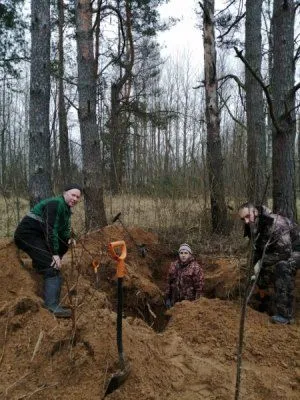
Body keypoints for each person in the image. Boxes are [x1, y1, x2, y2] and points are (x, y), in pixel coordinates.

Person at [14, 184, 82, 318]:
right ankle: (52, 306)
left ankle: (42, 265)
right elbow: (50, 230)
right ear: (64, 193)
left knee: (64, 242)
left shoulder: (65, 208)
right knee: (51, 267)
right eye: (72, 195)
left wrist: (70, 238)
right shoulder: (55, 204)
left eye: (78, 197)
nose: (75, 198)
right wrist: (55, 255)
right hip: (27, 235)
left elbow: (62, 231)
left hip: (39, 236)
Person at [238, 202, 298, 325]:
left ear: (255, 212)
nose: (246, 221)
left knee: (282, 266)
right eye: (243, 219)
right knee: (258, 269)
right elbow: (257, 251)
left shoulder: (276, 223)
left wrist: (261, 262)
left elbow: (285, 253)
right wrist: (254, 269)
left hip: (295, 249)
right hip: (278, 251)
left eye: (248, 216)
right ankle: (264, 300)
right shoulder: (253, 226)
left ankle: (285, 315)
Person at [165, 243, 204, 308]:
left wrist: (197, 304)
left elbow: (199, 288)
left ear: (190, 254)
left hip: (189, 304)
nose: (183, 255)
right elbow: (168, 282)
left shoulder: (196, 267)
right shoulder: (173, 265)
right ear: (179, 254)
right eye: (181, 253)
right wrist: (167, 298)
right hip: (175, 302)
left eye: (186, 253)